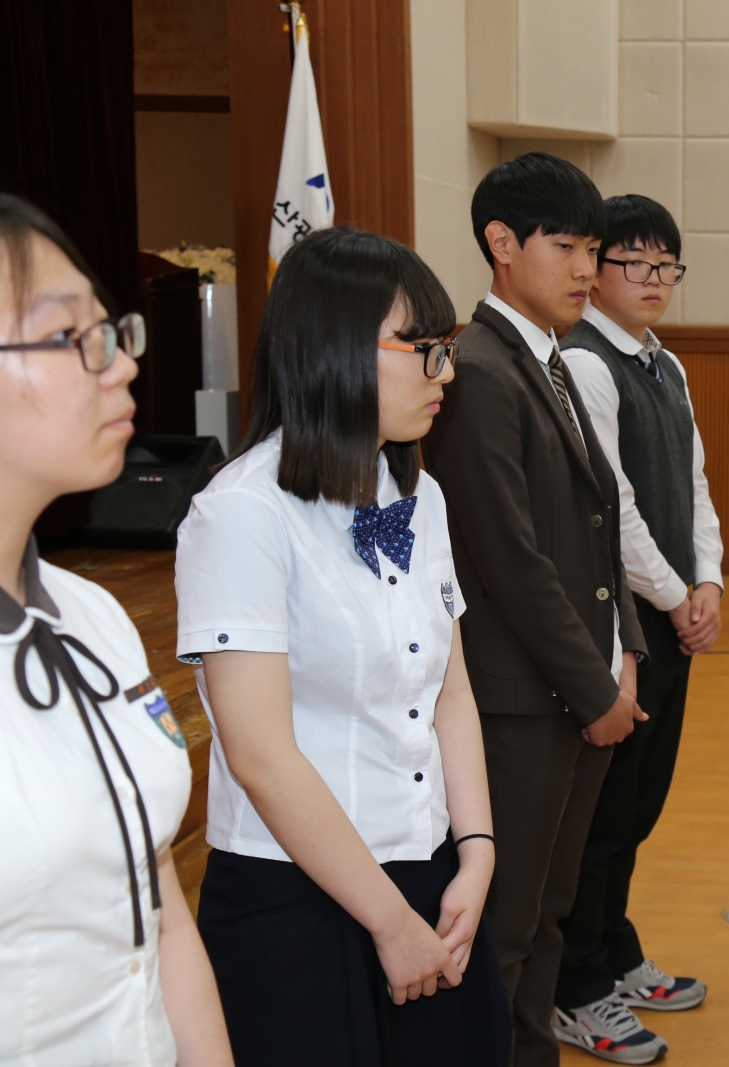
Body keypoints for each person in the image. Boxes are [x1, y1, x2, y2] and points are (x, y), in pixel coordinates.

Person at [175, 227, 507, 1066]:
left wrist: (476, 852)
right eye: (423, 349)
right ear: (332, 348)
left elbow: (451, 693)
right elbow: (261, 756)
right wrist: (391, 923)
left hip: (433, 872)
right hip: (299, 899)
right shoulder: (242, 513)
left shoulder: (418, 492)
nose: (446, 371)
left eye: (448, 348)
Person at [422, 153, 651, 1067]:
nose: (587, 270)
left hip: (579, 686)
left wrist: (626, 650)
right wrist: (594, 686)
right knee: (506, 927)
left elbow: (601, 525)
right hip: (521, 701)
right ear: (502, 244)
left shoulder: (553, 360)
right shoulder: (477, 368)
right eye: (568, 246)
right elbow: (510, 559)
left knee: (548, 916)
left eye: (595, 248)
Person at [0, 195, 233, 1066]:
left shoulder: (91, 613)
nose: (124, 367)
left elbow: (159, 899)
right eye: (72, 338)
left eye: (114, 330)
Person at [556, 194, 722, 1061]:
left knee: (639, 804)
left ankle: (613, 951)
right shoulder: (584, 364)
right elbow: (611, 507)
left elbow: (693, 486)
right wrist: (670, 594)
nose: (655, 281)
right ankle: (576, 983)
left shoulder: (668, 365)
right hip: (620, 626)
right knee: (602, 812)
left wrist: (709, 582)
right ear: (596, 267)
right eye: (636, 263)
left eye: (668, 266)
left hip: (668, 616)